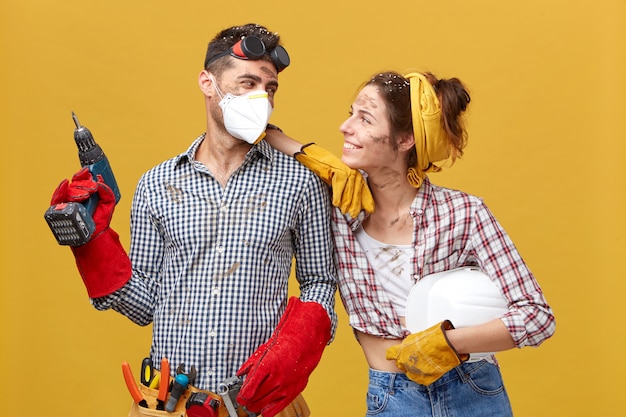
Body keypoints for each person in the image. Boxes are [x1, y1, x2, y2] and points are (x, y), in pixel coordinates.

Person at [49, 23, 337, 417]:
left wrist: (298, 345)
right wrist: (92, 245)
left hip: (260, 407)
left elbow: (320, 280)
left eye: (269, 89)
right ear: (207, 82)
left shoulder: (300, 182)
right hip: (167, 404)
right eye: (247, 83)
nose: (261, 99)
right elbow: (146, 306)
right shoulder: (157, 184)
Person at [264, 70, 556, 416]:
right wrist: (313, 156)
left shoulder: (463, 213)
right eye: (350, 113)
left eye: (365, 118)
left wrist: (447, 343)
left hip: (473, 390)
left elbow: (537, 317)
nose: (346, 127)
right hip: (393, 397)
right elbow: (258, 132)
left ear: (405, 141)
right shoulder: (336, 208)